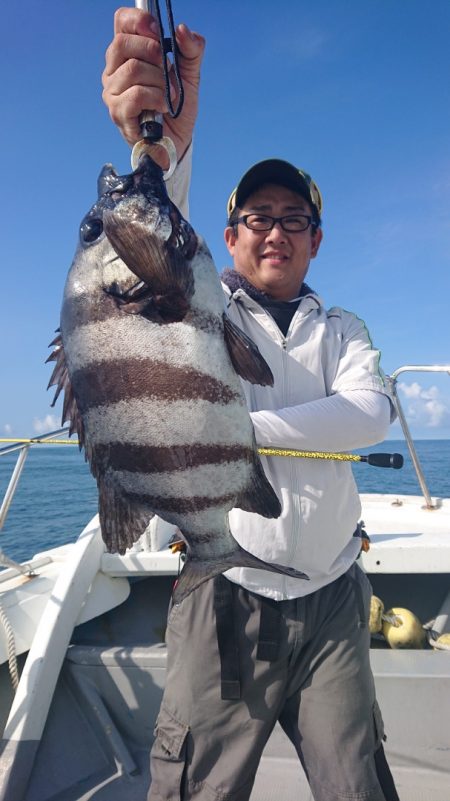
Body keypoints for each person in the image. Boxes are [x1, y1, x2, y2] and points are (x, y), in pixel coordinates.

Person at [102, 9, 400, 801]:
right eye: (258, 218)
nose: (276, 231)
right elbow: (151, 235)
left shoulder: (343, 328)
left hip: (334, 597)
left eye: (294, 218)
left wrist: (227, 433)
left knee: (360, 787)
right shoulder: (195, 308)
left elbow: (369, 412)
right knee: (198, 786)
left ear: (316, 239)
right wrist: (166, 143)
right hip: (222, 594)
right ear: (228, 236)